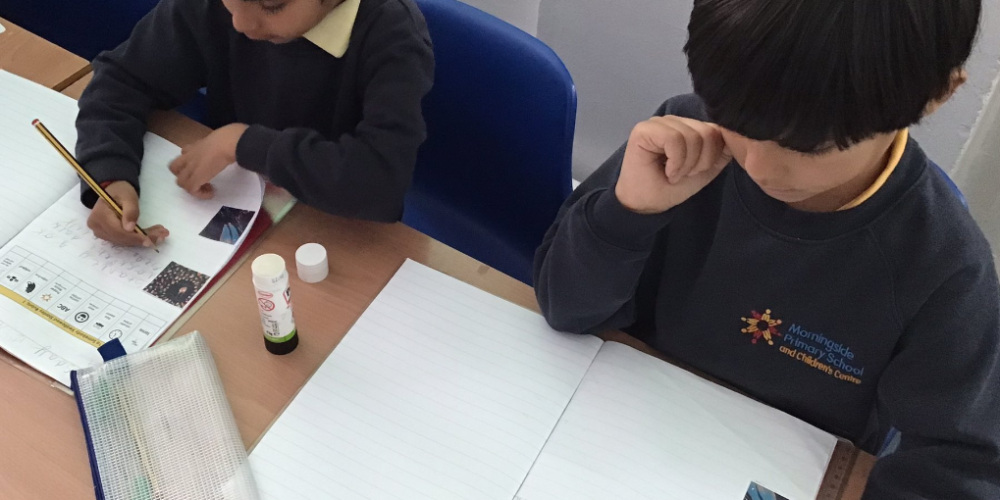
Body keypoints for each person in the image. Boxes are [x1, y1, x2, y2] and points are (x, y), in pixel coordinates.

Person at [534, 1, 1000, 498]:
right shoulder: (682, 139)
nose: (758, 166)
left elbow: (956, 471)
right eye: (733, 119)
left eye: (809, 147)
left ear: (937, 93)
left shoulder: (946, 267)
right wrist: (628, 212)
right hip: (610, 432)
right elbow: (565, 307)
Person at [75, 0, 434, 248]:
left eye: (272, 5)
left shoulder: (392, 34)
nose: (241, 24)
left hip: (336, 231)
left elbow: (379, 182)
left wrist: (243, 144)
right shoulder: (219, 8)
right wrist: (109, 176)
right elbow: (122, 80)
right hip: (235, 215)